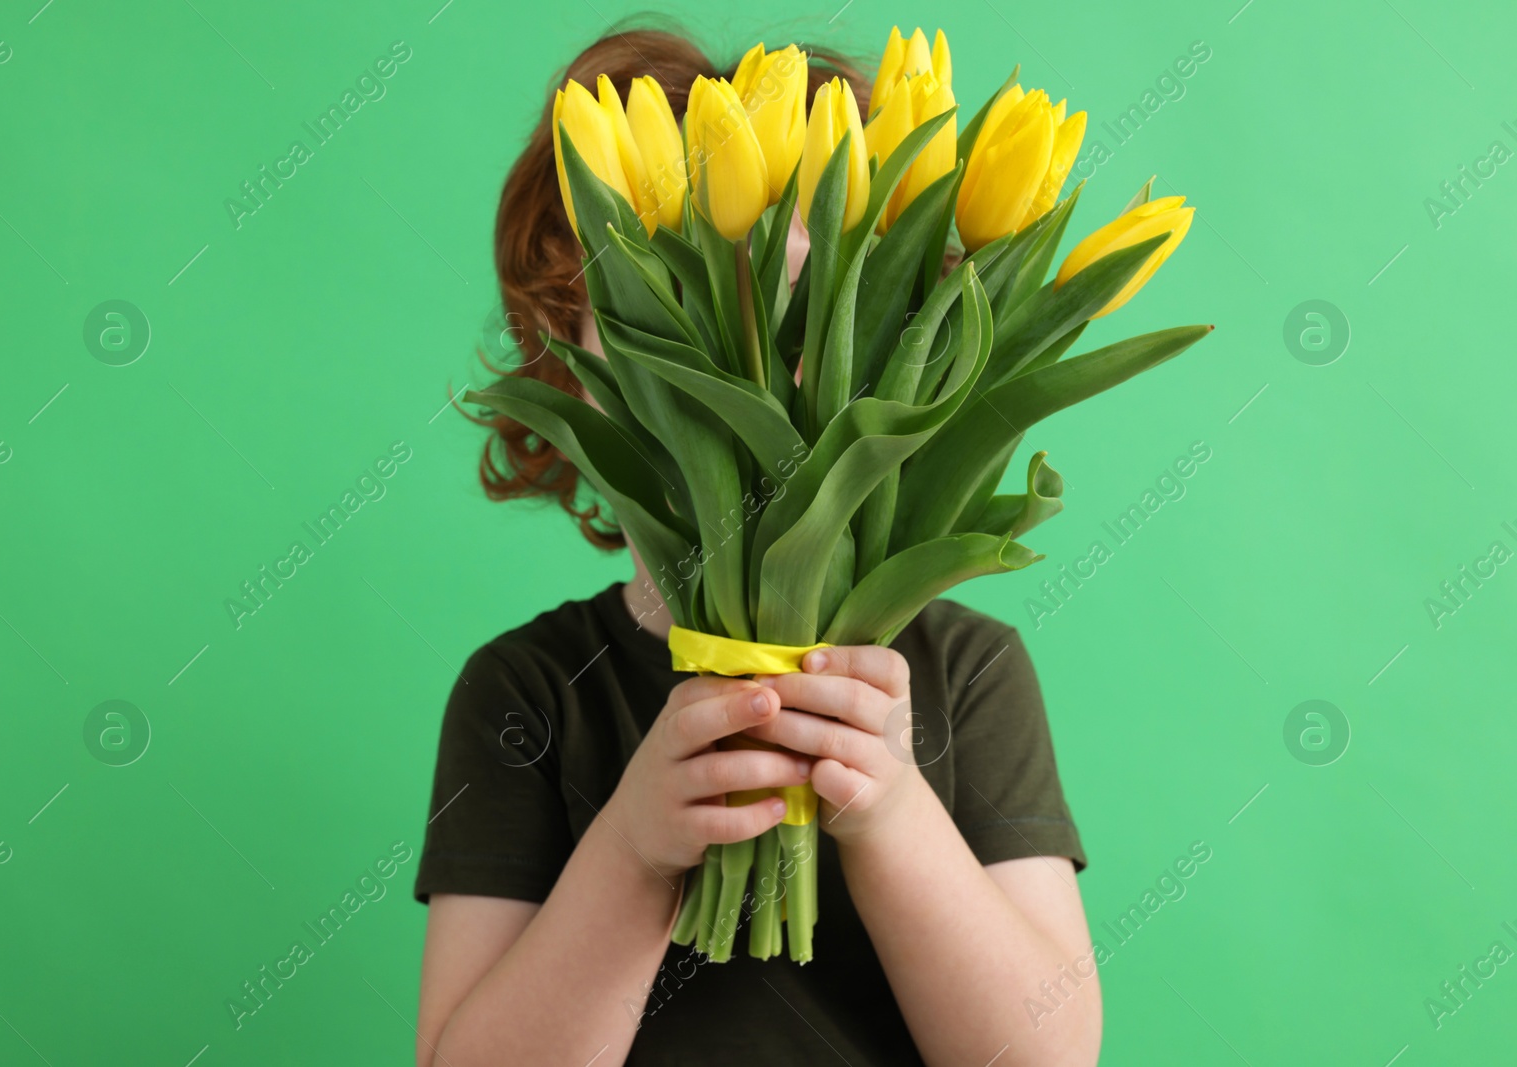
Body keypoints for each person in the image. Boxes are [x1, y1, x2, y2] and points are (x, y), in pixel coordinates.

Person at [413, 25, 1101, 1067]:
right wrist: (634, 849)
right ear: (566, 367)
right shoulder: (531, 689)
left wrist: (889, 810)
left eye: (796, 317)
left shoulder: (961, 675)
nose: (732, 374)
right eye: (658, 313)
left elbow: (1043, 1057)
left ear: (893, 352)